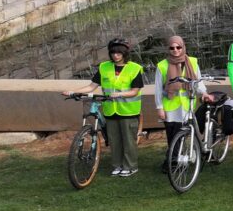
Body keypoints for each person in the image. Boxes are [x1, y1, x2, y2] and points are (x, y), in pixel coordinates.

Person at [65, 38, 146, 177]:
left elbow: (135, 91)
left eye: (119, 53)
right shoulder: (104, 67)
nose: (116, 55)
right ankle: (117, 165)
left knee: (128, 140)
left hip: (128, 110)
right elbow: (92, 86)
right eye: (113, 52)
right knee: (114, 140)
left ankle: (130, 166)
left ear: (125, 53)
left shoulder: (135, 68)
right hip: (110, 110)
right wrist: (74, 91)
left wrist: (120, 94)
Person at [153, 35, 206, 173]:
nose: (175, 50)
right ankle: (172, 160)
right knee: (173, 136)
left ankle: (185, 157)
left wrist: (204, 93)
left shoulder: (192, 62)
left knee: (189, 132)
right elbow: (158, 89)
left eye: (178, 47)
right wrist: (159, 108)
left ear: (183, 47)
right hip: (170, 107)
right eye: (172, 48)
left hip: (188, 105)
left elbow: (198, 82)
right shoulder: (162, 65)